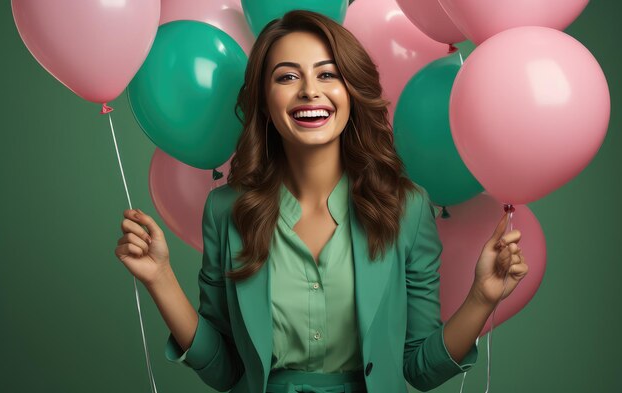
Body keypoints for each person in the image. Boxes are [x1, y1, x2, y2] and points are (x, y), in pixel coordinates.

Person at [114, 10, 528, 393]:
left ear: (351, 90)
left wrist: (481, 298)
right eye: (287, 77)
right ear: (264, 99)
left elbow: (419, 370)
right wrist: (161, 278)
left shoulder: (407, 207)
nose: (310, 91)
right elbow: (224, 369)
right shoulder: (226, 210)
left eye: (328, 74)